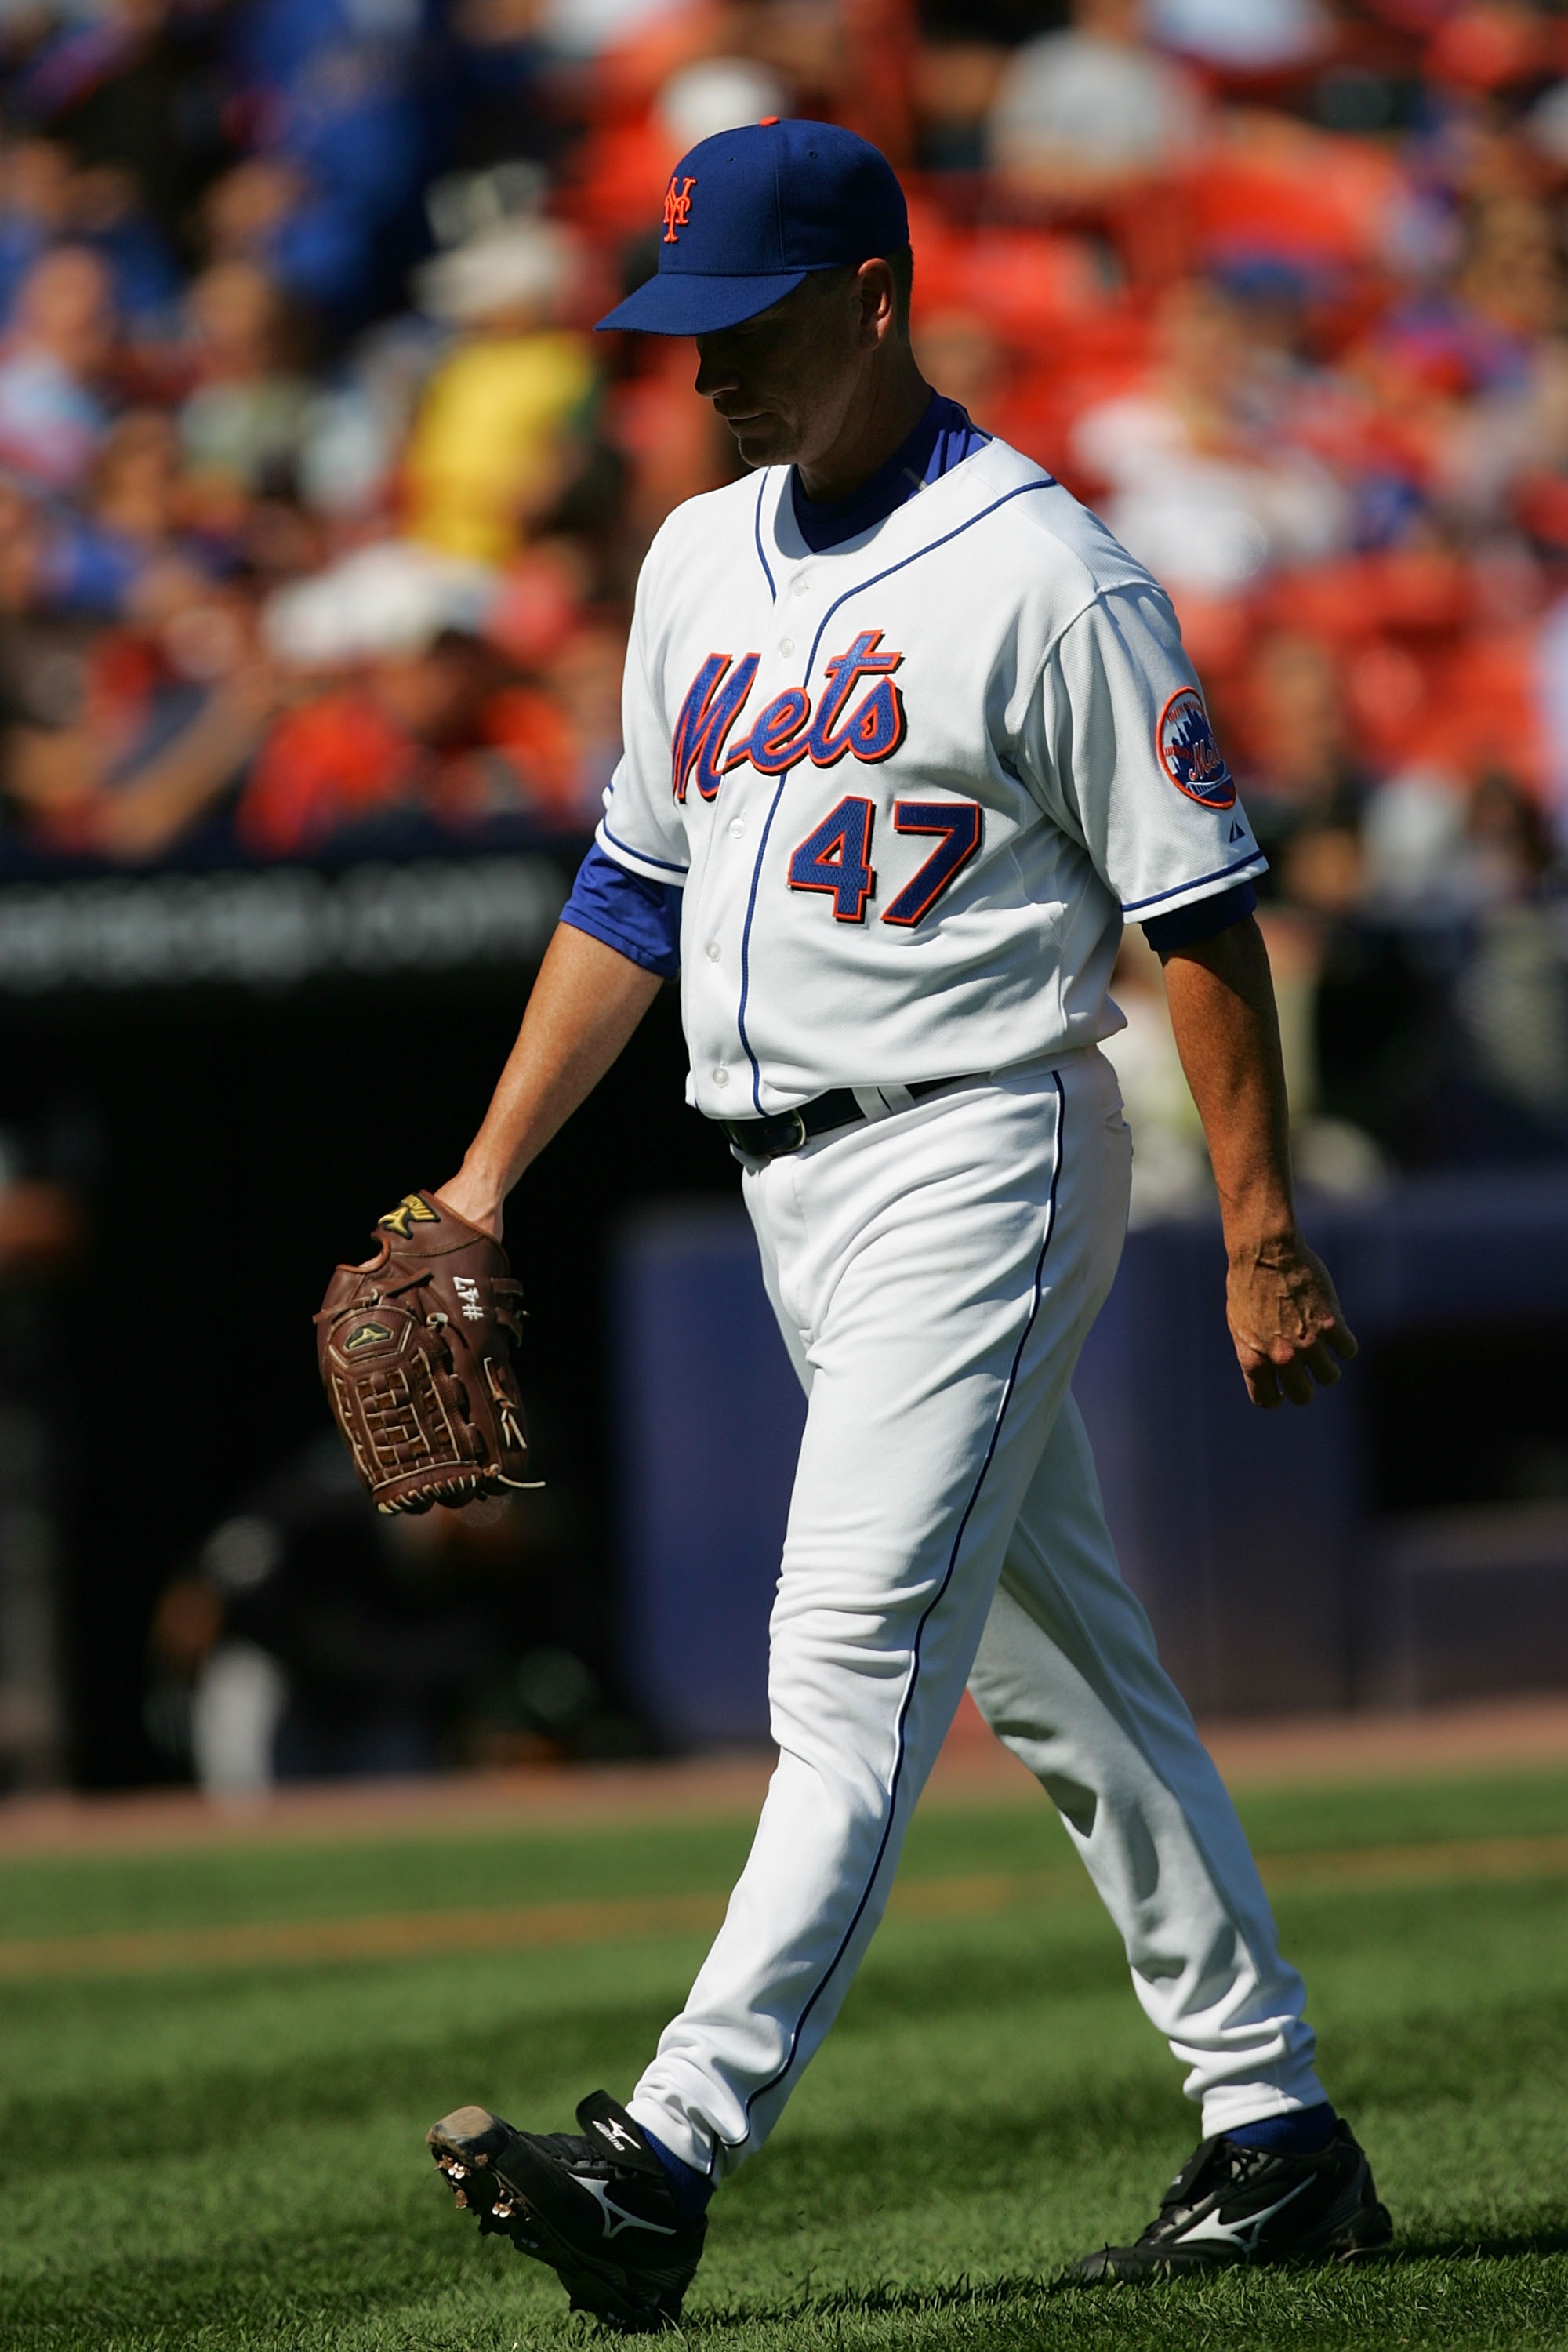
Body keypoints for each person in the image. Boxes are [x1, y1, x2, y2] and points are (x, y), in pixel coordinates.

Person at [421, 121, 1389, 2328]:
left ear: (871, 299)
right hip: (785, 1184)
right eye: (682, 338)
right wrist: (482, 1179)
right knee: (1066, 1680)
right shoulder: (695, 558)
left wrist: (1260, 1224)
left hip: (984, 1146)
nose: (709, 379)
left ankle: (667, 2155)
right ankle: (1280, 2133)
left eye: (748, 332)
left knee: (846, 1662)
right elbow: (629, 890)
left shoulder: (1046, 571)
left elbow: (1199, 916)